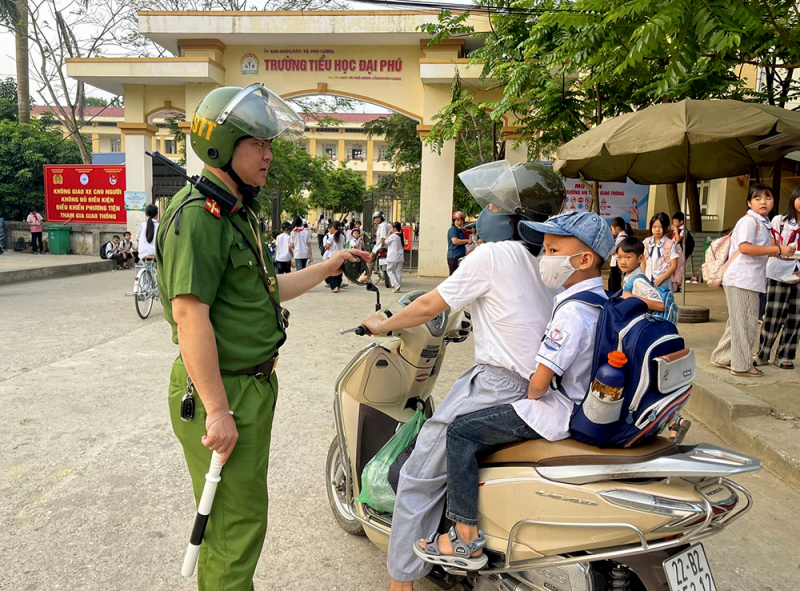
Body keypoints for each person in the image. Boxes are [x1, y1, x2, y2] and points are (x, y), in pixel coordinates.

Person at [155, 83, 369, 591]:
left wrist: (330, 265)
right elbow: (189, 316)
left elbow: (270, 289)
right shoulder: (199, 217)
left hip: (249, 386)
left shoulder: (237, 211)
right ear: (222, 147)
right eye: (257, 144)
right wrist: (217, 411)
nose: (268, 155)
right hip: (223, 388)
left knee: (241, 517)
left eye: (270, 144)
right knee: (234, 529)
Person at [361, 161, 565, 590]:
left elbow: (427, 306)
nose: (483, 212)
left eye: (493, 205)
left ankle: (401, 581)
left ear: (512, 218)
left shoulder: (491, 256)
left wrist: (383, 324)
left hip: (496, 384)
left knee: (420, 470)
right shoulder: (547, 263)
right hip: (542, 390)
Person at [413, 210, 614, 571]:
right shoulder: (602, 302)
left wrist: (530, 394)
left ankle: (464, 536)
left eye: (553, 251)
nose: (545, 259)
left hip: (562, 409)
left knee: (460, 433)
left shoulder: (571, 312)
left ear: (584, 260)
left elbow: (539, 383)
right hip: (587, 404)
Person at [711, 184, 794, 377]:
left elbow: (761, 250)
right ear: (749, 202)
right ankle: (741, 365)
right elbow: (745, 248)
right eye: (757, 198)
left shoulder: (763, 222)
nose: (763, 202)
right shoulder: (749, 221)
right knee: (746, 325)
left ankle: (722, 357)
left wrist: (781, 252)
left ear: (773, 201)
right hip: (742, 279)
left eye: (767, 198)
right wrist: (778, 249)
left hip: (746, 279)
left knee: (737, 323)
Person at [754, 185, 800, 370]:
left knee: (795, 317)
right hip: (779, 272)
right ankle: (763, 354)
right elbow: (771, 246)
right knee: (773, 315)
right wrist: (783, 252)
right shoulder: (779, 221)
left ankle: (784, 355)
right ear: (793, 199)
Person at [617, 236, 668, 315]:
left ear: (640, 258)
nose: (622, 262)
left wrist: (631, 298)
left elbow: (660, 305)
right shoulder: (628, 278)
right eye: (619, 257)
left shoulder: (639, 281)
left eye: (628, 257)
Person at [643, 212, 679, 312]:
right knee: (649, 308)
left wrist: (660, 279)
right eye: (654, 227)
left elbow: (674, 265)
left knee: (665, 308)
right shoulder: (646, 242)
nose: (657, 230)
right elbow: (643, 261)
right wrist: (643, 277)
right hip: (648, 280)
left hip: (664, 281)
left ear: (666, 227)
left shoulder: (670, 244)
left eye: (660, 227)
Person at [608, 217, 631, 293]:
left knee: (614, 285)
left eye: (612, 229)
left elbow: (613, 252)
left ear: (617, 228)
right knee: (612, 283)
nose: (611, 231)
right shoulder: (622, 237)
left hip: (616, 264)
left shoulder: (621, 238)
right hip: (616, 263)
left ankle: (615, 298)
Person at [323, 221, 346, 292]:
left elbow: (327, 246)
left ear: (333, 228)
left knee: (331, 272)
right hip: (340, 256)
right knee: (339, 272)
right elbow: (344, 246)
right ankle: (338, 286)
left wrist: (326, 247)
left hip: (332, 256)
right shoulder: (342, 237)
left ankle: (334, 286)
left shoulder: (331, 236)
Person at [447, 211, 469, 275]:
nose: (460, 222)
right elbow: (455, 241)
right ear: (454, 221)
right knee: (454, 276)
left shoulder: (460, 230)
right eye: (458, 220)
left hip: (460, 256)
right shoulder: (453, 230)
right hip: (454, 257)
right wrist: (466, 241)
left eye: (461, 220)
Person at [385, 221, 405, 292]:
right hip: (400, 257)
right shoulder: (401, 236)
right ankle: (398, 286)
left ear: (395, 228)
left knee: (390, 271)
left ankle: (395, 284)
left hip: (393, 257)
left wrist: (388, 234)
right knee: (398, 272)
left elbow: (386, 241)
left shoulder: (393, 236)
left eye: (391, 228)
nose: (391, 229)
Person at [671, 212, 687, 292]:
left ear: (681, 222)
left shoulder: (683, 230)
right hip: (673, 249)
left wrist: (676, 231)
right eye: (673, 222)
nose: (674, 224)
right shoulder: (677, 230)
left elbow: (678, 239)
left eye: (676, 222)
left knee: (678, 267)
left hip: (679, 250)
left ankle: (677, 284)